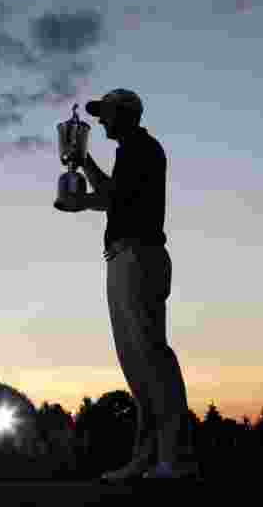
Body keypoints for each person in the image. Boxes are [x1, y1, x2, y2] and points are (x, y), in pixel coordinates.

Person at [75, 88, 197, 481]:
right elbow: (118, 200)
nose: (100, 121)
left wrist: (83, 162)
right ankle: (147, 458)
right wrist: (82, 203)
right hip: (126, 258)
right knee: (136, 363)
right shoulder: (131, 150)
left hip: (138, 257)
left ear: (125, 113)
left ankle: (174, 457)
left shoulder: (141, 148)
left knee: (151, 357)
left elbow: (112, 195)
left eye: (105, 113)